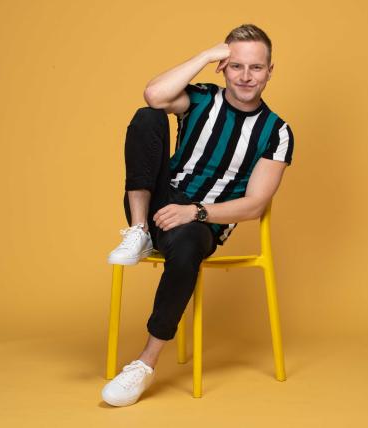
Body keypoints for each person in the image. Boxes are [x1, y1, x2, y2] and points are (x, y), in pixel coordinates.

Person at [101, 23, 294, 407]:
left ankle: (144, 363)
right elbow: (155, 94)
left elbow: (255, 204)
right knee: (147, 116)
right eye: (236, 66)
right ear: (224, 68)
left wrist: (197, 212)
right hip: (160, 202)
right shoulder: (203, 98)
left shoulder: (277, 132)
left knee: (187, 249)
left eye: (256, 68)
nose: (245, 76)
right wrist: (206, 56)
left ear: (270, 71)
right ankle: (138, 231)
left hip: (205, 222)